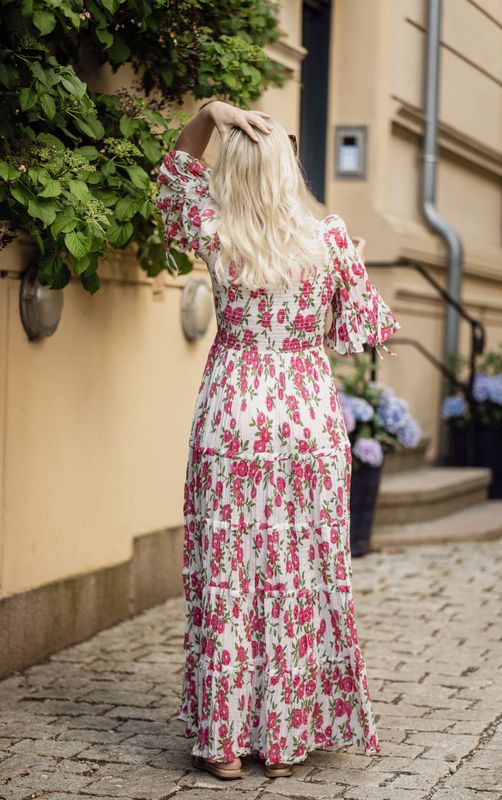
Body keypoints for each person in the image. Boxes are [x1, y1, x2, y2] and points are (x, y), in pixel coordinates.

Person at [156, 100, 400, 781]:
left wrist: (210, 114)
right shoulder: (328, 239)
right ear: (288, 167)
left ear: (232, 169)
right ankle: (283, 742)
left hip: (232, 411)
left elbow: (174, 171)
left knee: (228, 576)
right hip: (305, 420)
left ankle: (223, 743)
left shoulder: (216, 230)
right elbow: (367, 330)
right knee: (297, 577)